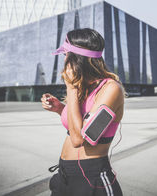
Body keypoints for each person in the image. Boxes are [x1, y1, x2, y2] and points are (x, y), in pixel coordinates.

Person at [41, 28, 125, 196]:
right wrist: (60, 109)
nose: (64, 59)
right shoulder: (82, 87)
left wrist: (71, 88)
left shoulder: (110, 89)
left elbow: (79, 138)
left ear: (76, 58)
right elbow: (78, 122)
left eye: (65, 54)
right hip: (64, 174)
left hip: (92, 178)